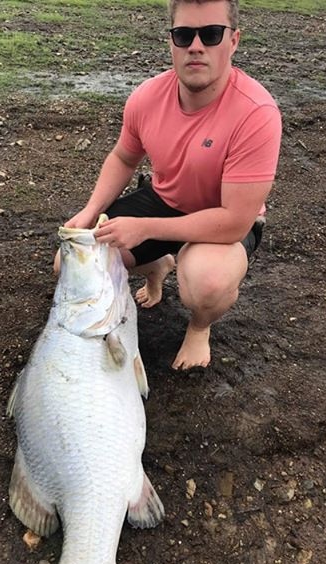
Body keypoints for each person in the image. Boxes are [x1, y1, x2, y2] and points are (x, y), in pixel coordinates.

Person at [62, 0, 282, 370]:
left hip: (222, 222)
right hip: (166, 200)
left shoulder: (256, 113)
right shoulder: (146, 98)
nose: (196, 46)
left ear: (233, 41)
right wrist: (90, 211)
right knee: (72, 264)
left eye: (211, 34)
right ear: (171, 43)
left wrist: (144, 228)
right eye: (184, 35)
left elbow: (234, 222)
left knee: (205, 282)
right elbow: (123, 158)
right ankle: (157, 266)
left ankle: (199, 328)